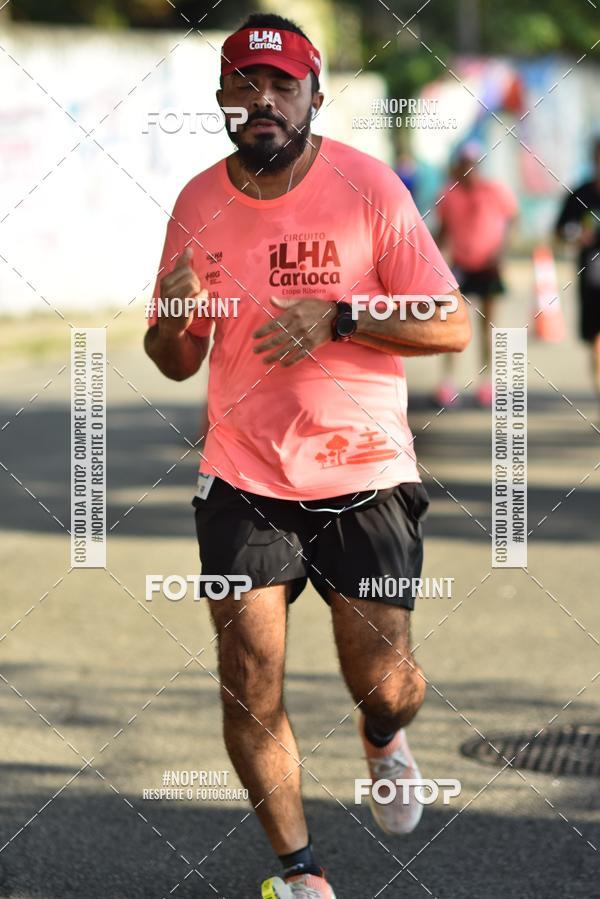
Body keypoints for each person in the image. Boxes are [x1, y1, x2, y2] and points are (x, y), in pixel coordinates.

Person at [145, 12, 470, 897]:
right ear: (221, 98)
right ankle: (301, 873)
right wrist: (178, 315)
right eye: (245, 85)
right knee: (250, 682)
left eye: (282, 84)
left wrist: (344, 316)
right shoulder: (195, 204)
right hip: (243, 475)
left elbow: (451, 323)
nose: (263, 102)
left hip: (365, 469)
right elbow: (173, 360)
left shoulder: (371, 188)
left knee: (387, 681)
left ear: (315, 95)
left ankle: (383, 736)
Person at [435, 142, 518, 407]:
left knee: (486, 327)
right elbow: (443, 231)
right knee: (452, 325)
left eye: (472, 163)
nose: (468, 169)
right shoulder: (448, 194)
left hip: (488, 267)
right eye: (464, 163)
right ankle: (448, 383)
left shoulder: (494, 190)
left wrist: (502, 251)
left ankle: (486, 382)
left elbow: (512, 220)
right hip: (461, 266)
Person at [555, 138, 600, 404]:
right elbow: (559, 231)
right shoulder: (580, 195)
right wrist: (575, 235)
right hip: (591, 278)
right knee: (595, 342)